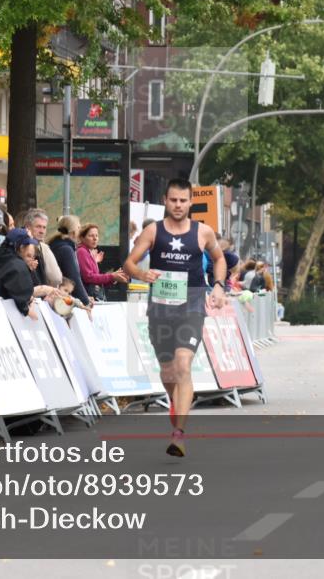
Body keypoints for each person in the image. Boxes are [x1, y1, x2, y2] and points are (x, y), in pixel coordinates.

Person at [125, 178, 228, 457]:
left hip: (192, 305)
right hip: (160, 307)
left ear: (190, 201)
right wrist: (142, 274)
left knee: (183, 365)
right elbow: (129, 262)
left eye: (183, 200)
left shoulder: (202, 232)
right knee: (168, 371)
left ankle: (178, 435)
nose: (178, 205)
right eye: (173, 200)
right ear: (165, 200)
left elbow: (219, 259)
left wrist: (218, 286)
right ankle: (177, 400)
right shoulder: (153, 231)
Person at [0, 228, 41, 318]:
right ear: (21, 248)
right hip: (3, 316)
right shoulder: (18, 266)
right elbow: (22, 300)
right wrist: (29, 311)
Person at [47, 215, 91, 308]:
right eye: (79, 227)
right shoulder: (66, 250)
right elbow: (74, 278)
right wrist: (86, 302)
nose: (81, 230)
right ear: (73, 231)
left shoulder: (57, 245)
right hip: (61, 301)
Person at [77, 222, 128, 301]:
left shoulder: (88, 252)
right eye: (91, 236)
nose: (95, 238)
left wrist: (114, 278)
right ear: (82, 238)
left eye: (97, 235)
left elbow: (97, 281)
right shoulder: (82, 251)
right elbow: (88, 277)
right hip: (88, 298)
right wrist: (111, 276)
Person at [23, 208, 63, 288]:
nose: (42, 231)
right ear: (28, 227)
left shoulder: (42, 246)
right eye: (38, 227)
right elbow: (56, 278)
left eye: (44, 227)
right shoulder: (22, 247)